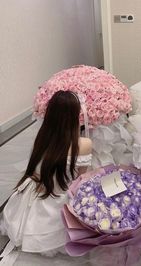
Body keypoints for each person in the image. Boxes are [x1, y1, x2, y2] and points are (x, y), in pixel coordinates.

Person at [0, 90, 92, 256]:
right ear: (74, 115)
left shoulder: (42, 137)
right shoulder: (84, 144)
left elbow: (35, 170)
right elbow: (80, 180)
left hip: (41, 192)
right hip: (62, 198)